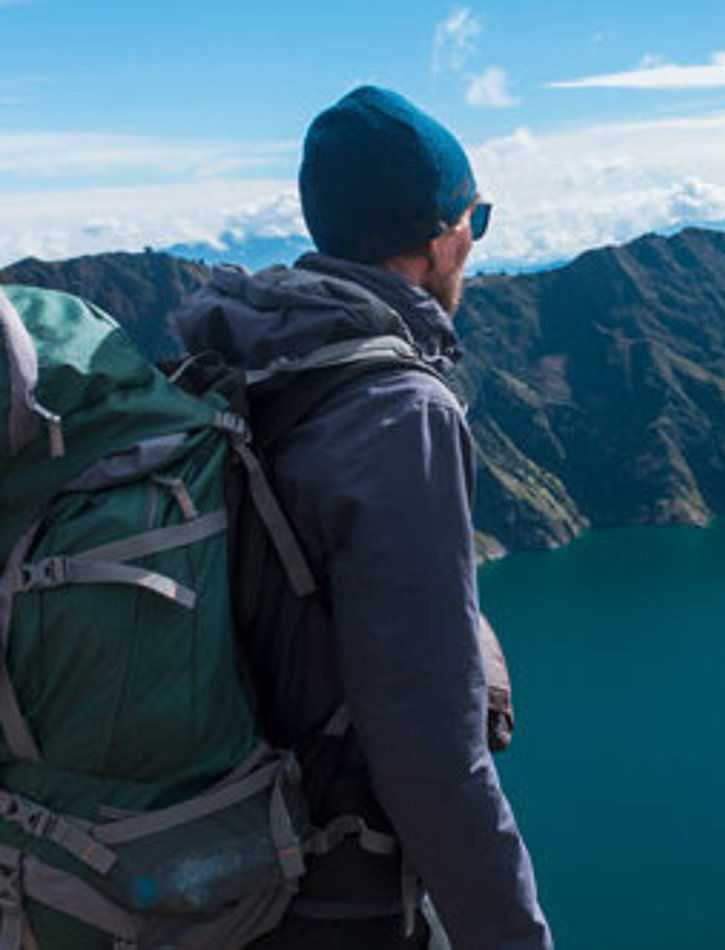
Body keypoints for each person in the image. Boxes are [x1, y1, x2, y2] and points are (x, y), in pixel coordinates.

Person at [174, 86, 552, 950]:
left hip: (205, 882)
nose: (475, 245)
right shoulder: (398, 414)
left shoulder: (236, 354)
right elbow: (433, 753)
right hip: (329, 909)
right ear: (433, 237)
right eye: (475, 217)